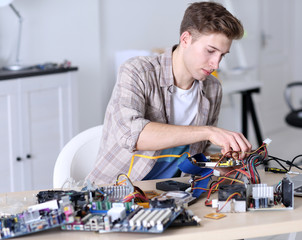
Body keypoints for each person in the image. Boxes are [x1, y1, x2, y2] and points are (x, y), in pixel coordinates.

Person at [86, 1, 252, 184]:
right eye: (210, 51)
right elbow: (132, 135)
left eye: (222, 55)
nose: (216, 64)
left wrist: (227, 163)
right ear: (185, 39)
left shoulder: (212, 88)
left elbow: (197, 154)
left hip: (172, 195)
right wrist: (208, 131)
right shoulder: (137, 71)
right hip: (114, 194)